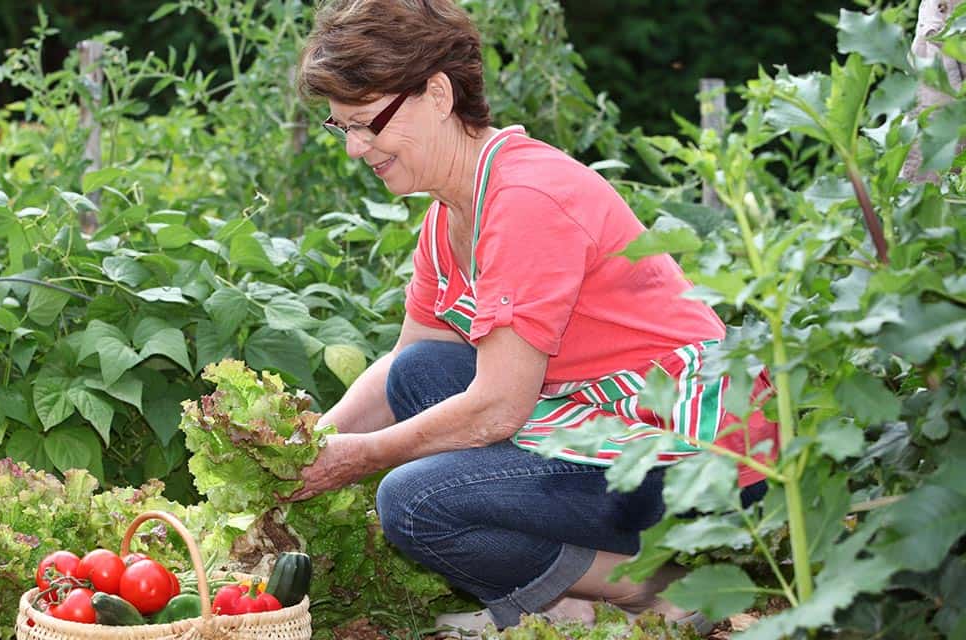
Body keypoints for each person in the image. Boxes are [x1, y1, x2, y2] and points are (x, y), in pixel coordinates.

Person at [289, 0, 778, 634]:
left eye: (367, 124)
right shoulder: (449, 216)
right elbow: (401, 370)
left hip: (703, 456)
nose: (356, 149)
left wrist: (361, 457)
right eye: (341, 127)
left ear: (437, 93)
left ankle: (662, 592)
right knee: (420, 371)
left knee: (412, 501)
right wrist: (306, 448)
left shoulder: (525, 200)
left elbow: (497, 408)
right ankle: (564, 602)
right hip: (610, 423)